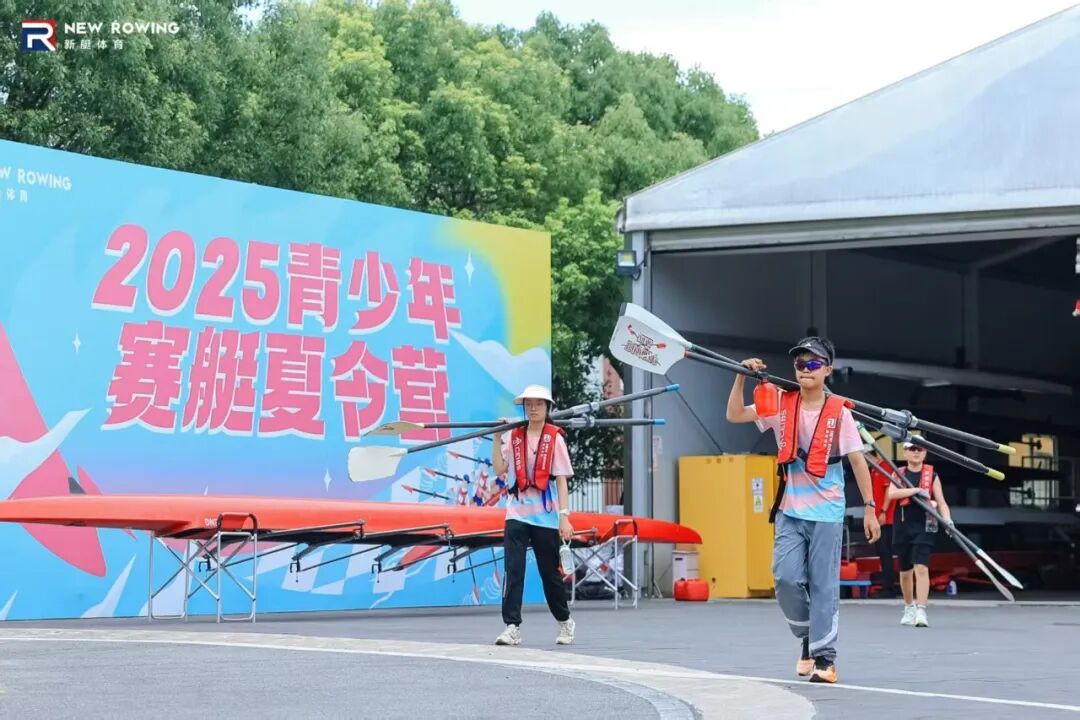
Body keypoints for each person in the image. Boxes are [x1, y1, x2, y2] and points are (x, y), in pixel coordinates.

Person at [726, 336, 880, 684]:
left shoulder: (840, 413)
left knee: (823, 585)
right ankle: (809, 637)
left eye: (813, 364)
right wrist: (740, 377)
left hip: (827, 511)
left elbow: (858, 461)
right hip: (790, 509)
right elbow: (734, 415)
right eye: (800, 364)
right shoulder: (780, 403)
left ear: (827, 370)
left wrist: (870, 508)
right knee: (785, 579)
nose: (805, 369)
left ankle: (826, 658)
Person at [490, 384, 576, 647]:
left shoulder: (555, 438)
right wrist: (497, 437)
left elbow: (561, 480)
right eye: (529, 404)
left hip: (545, 516)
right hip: (516, 513)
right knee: (513, 570)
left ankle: (564, 620)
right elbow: (499, 469)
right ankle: (512, 626)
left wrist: (564, 517)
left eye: (539, 403)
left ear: (547, 408)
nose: (533, 408)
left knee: (549, 573)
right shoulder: (514, 435)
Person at [887, 441, 952, 628]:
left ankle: (921, 609)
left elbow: (941, 502)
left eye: (919, 449)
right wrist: (915, 490)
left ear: (925, 453)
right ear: (905, 452)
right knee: (905, 571)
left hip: (925, 525)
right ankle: (909, 607)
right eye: (911, 449)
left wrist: (948, 520)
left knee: (921, 567)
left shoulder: (933, 475)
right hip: (902, 525)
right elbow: (892, 494)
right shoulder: (898, 472)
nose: (916, 452)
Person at [869, 452, 898, 598]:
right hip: (878, 516)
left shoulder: (885, 467)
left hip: (885, 517)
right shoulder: (875, 468)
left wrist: (883, 512)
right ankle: (887, 585)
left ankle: (889, 587)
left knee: (886, 552)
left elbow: (889, 490)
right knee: (882, 552)